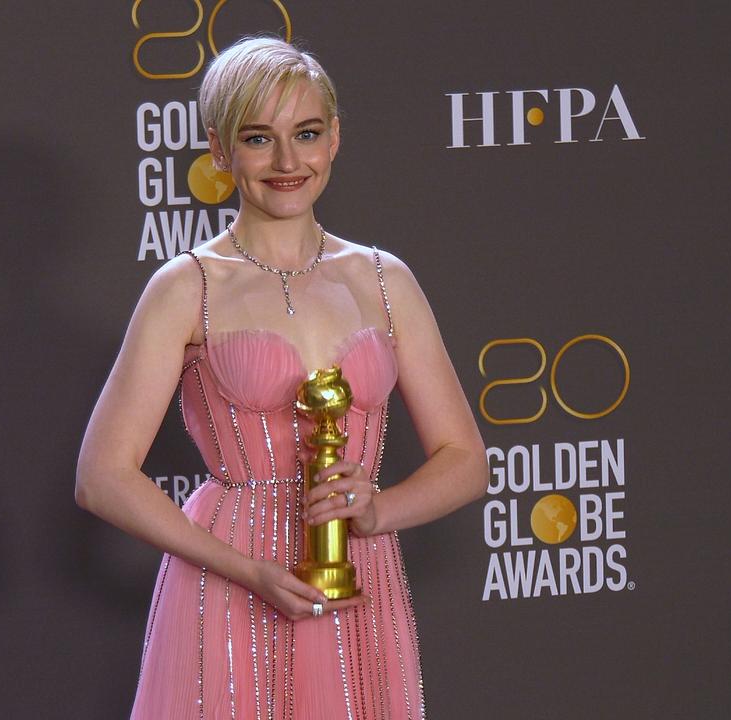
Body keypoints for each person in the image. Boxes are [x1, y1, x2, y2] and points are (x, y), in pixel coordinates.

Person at [76, 36, 488, 719]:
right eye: (260, 138)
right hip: (233, 575)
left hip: (356, 571)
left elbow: (466, 461)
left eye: (307, 133)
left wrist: (377, 511)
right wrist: (247, 569)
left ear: (334, 139)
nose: (289, 161)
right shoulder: (187, 288)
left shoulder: (385, 280)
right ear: (219, 148)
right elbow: (103, 476)